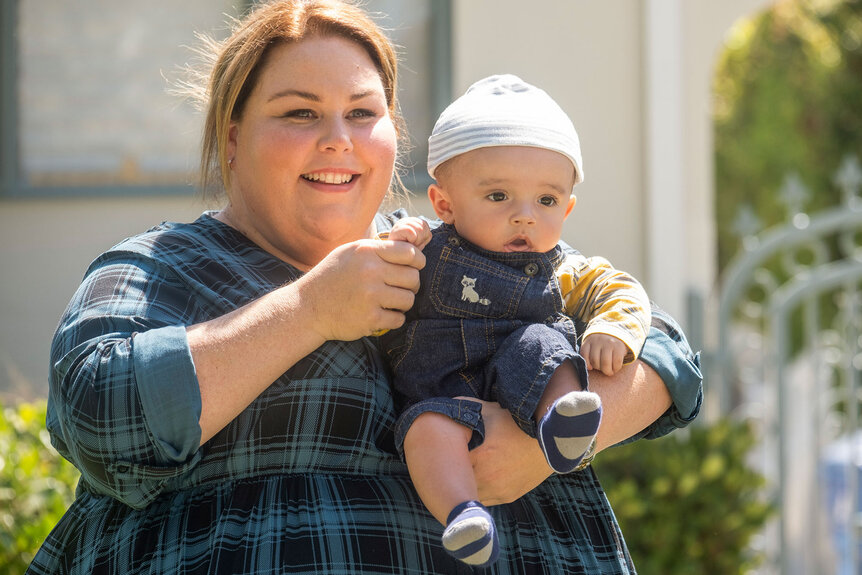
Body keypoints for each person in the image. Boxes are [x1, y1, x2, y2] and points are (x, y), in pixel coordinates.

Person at [27, 1, 702, 573]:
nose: (337, 140)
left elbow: (668, 352)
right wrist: (310, 309)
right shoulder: (165, 266)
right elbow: (96, 413)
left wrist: (541, 448)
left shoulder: (460, 247)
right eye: (299, 114)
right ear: (232, 138)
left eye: (361, 113)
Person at [378, 74, 652, 567]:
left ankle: (565, 421)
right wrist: (393, 253)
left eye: (546, 201)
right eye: (499, 196)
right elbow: (376, 306)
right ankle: (464, 516)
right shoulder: (423, 251)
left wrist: (613, 329)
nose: (525, 217)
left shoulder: (562, 268)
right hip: (442, 397)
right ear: (444, 203)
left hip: (528, 392)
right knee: (423, 430)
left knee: (546, 346)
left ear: (566, 209)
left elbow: (620, 289)